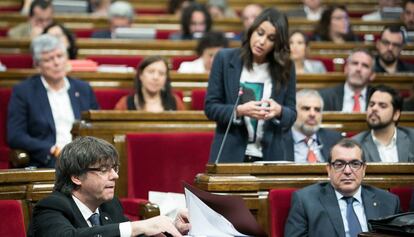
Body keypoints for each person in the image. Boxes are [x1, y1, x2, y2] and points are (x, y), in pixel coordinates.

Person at [29, 136, 190, 237]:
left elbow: (135, 234)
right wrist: (136, 226)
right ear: (76, 177)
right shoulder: (51, 207)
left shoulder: (109, 205)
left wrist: (171, 229)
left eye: (114, 168)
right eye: (104, 170)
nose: (115, 175)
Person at [205, 8, 296, 163]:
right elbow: (211, 107)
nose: (262, 42)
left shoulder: (286, 67)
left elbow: (292, 114)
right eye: (260, 33)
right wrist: (239, 111)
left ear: (277, 44)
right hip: (230, 154)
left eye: (271, 38)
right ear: (252, 30)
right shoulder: (225, 59)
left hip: (270, 155)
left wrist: (279, 111)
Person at [7, 34, 98, 168]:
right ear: (38, 65)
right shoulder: (24, 92)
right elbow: (16, 136)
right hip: (47, 160)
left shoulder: (83, 89)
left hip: (84, 159)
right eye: (49, 59)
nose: (56, 63)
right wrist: (51, 149)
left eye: (60, 56)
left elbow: (97, 127)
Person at [285, 138, 401, 237]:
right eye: (339, 165)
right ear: (329, 169)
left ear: (364, 169)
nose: (347, 171)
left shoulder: (389, 202)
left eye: (355, 164)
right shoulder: (305, 201)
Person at [352, 85, 414, 162]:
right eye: (371, 104)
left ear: (396, 115)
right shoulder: (355, 144)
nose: (374, 109)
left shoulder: (412, 138)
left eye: (382, 106)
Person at [285, 89, 343, 162]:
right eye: (306, 108)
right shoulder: (279, 140)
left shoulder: (335, 139)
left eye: (317, 110)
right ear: (294, 111)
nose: (312, 114)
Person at [115, 56, 184, 111]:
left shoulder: (175, 102)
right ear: (141, 75)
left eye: (161, 73)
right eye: (151, 72)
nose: (156, 77)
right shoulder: (125, 104)